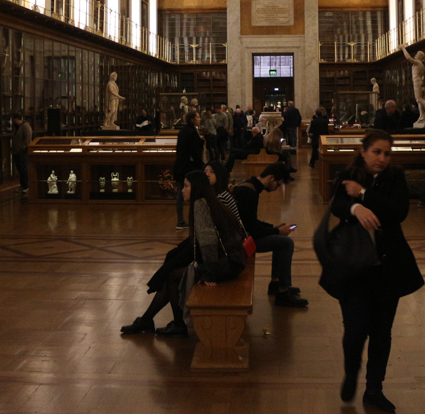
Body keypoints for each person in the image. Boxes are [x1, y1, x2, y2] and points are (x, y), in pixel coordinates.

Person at [329, 129, 424, 411]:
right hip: (355, 266)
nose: (382, 158)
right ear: (364, 151)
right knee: (356, 329)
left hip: (387, 266)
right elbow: (337, 205)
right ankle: (351, 373)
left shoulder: (394, 178)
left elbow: (398, 213)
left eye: (386, 153)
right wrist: (355, 209)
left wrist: (364, 195)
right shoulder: (350, 173)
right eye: (376, 152)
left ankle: (374, 388)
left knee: (382, 332)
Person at [120, 170, 246, 338]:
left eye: (186, 186)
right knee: (172, 269)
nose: (182, 190)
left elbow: (208, 243)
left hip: (226, 265)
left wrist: (209, 274)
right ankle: (148, 320)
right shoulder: (210, 201)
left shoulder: (200, 205)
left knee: (172, 275)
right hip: (232, 260)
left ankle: (175, 324)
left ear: (196, 188)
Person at [231, 163, 308, 307]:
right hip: (240, 243)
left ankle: (276, 283)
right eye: (278, 185)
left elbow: (250, 222)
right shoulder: (249, 193)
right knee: (286, 243)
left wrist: (273, 227)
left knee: (281, 241)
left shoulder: (250, 187)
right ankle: (283, 293)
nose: (277, 189)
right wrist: (277, 231)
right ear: (271, 178)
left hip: (242, 236)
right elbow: (252, 230)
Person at [173, 111, 204, 229]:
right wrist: (201, 165)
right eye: (198, 117)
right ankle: (193, 220)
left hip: (180, 166)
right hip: (188, 167)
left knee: (180, 193)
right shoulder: (191, 132)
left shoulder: (184, 130)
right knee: (192, 193)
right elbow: (195, 151)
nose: (199, 119)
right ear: (192, 119)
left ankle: (181, 220)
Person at [11, 112, 32, 194]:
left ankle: (26, 186)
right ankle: (22, 185)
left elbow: (27, 139)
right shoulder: (16, 127)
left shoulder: (25, 126)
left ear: (16, 119)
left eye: (13, 119)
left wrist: (22, 148)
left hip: (23, 152)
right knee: (20, 170)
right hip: (16, 152)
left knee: (24, 169)